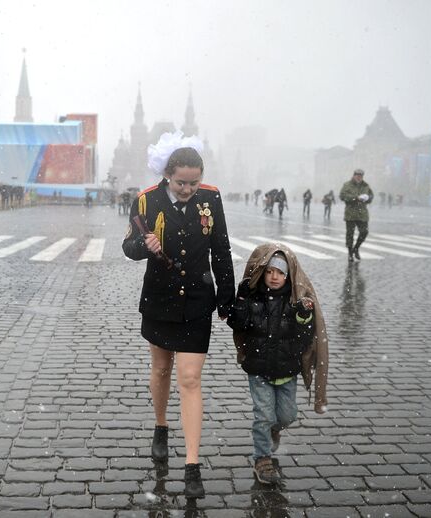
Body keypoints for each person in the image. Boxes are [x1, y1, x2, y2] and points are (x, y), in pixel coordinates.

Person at [122, 132, 235, 499]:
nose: (188, 189)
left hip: (198, 300)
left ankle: (191, 463)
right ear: (168, 175)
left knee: (190, 379)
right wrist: (143, 245)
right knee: (161, 369)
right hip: (160, 297)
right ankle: (160, 425)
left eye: (194, 182)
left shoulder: (211, 198)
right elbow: (128, 246)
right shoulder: (146, 201)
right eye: (181, 182)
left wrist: (226, 296)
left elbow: (221, 249)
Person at [227, 244, 328, 485]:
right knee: (263, 415)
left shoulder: (295, 302)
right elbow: (237, 324)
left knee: (287, 415)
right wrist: (241, 299)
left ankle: (275, 429)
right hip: (259, 369)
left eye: (280, 273)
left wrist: (304, 316)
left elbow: (304, 337)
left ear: (288, 276)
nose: (274, 277)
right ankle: (262, 458)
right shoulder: (254, 298)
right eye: (270, 271)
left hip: (286, 371)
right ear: (262, 272)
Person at [339, 169, 374, 262]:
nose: (359, 177)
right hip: (350, 213)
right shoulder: (347, 185)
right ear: (354, 176)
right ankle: (350, 253)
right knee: (350, 234)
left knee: (364, 232)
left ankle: (356, 248)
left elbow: (371, 196)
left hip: (362, 213)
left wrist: (368, 198)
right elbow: (342, 196)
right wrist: (355, 198)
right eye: (357, 175)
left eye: (361, 176)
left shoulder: (366, 186)